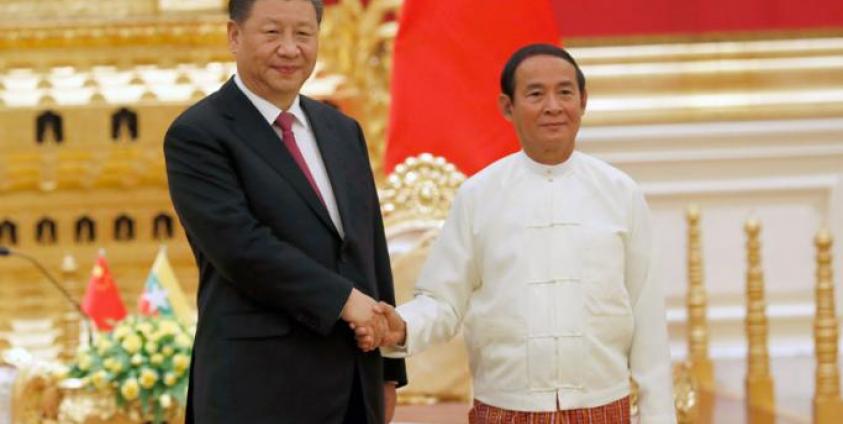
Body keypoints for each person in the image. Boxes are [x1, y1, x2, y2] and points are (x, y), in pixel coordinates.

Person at [356, 44, 675, 423]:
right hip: (506, 410)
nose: (553, 106)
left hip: (604, 408)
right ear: (507, 107)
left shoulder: (620, 193)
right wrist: (403, 326)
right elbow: (443, 302)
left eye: (565, 92)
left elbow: (648, 320)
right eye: (536, 94)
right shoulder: (479, 195)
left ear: (584, 101)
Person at [164, 0, 406, 422]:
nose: (290, 49)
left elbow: (370, 250)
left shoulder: (342, 130)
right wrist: (345, 301)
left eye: (303, 34)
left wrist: (388, 368)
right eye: (272, 33)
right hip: (259, 390)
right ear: (234, 37)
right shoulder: (199, 134)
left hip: (353, 385)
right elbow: (242, 249)